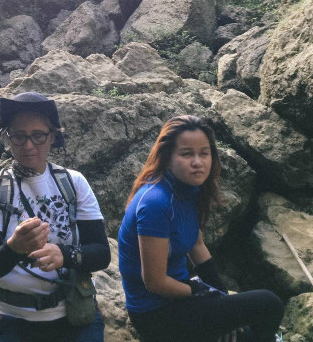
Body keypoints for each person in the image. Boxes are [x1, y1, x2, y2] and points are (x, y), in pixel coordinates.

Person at [117, 115, 285, 342]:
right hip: (156, 314)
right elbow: (155, 282)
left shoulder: (189, 190)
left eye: (204, 153)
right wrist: (201, 293)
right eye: (187, 154)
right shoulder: (155, 203)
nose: (197, 162)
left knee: (244, 334)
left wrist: (226, 309)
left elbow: (197, 246)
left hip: (182, 298)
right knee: (269, 303)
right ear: (167, 158)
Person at [0, 91, 111, 342]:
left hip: (73, 314)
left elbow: (101, 253)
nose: (28, 145)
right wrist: (14, 248)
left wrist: (65, 255)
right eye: (18, 136)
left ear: (53, 136)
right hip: (12, 319)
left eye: (38, 135)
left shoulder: (74, 183)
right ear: (8, 138)